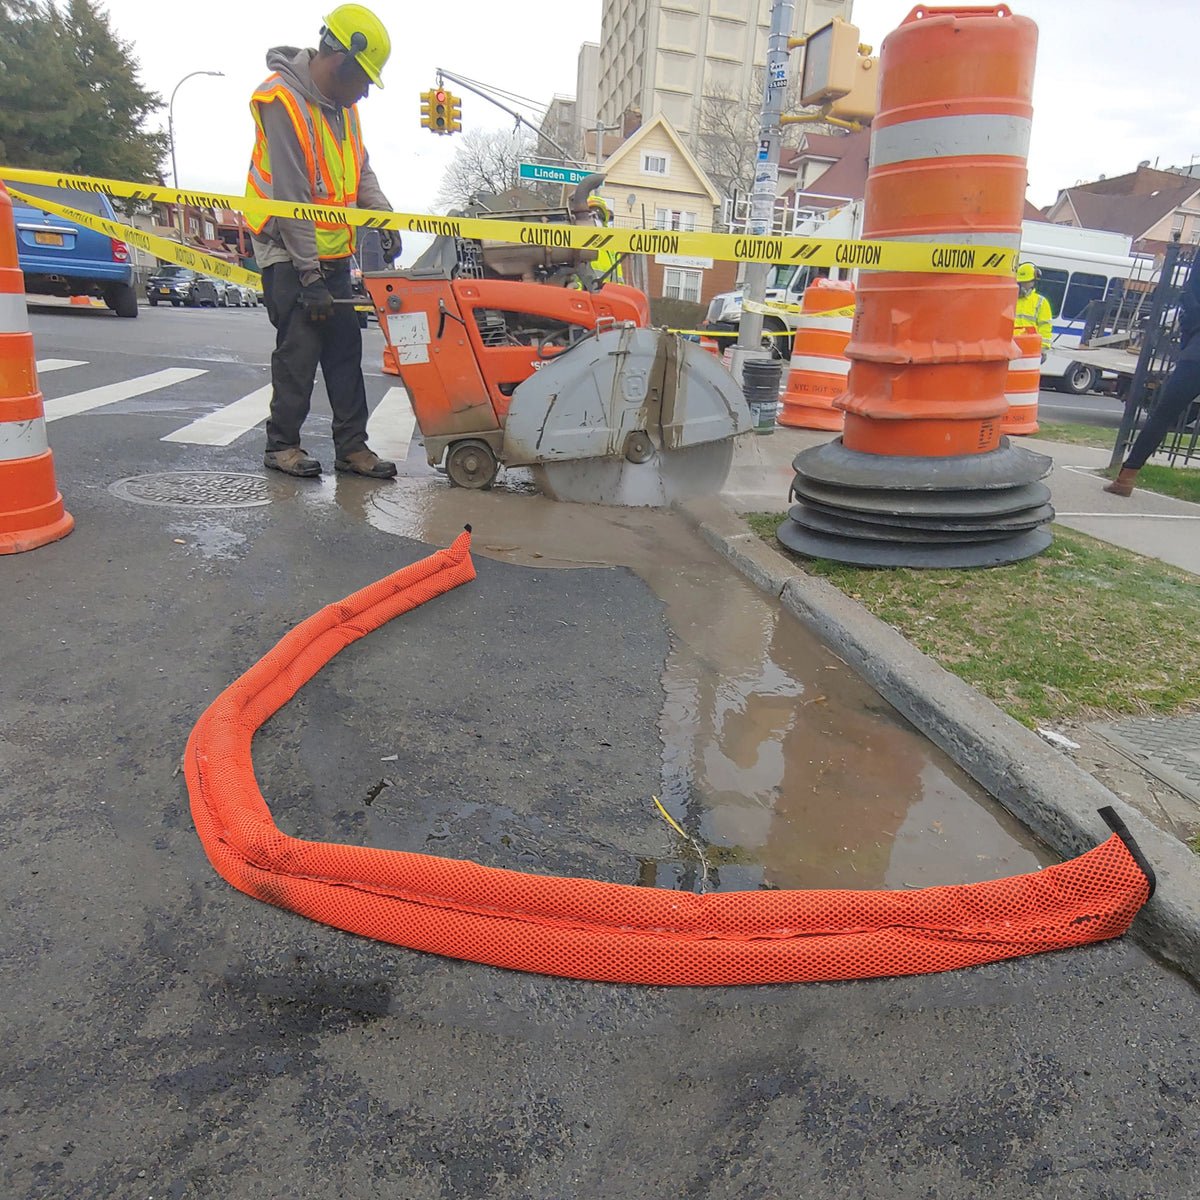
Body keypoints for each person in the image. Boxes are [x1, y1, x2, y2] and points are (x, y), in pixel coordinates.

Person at [245, 4, 402, 479]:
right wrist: (309, 277)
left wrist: (384, 218)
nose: (366, 93)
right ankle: (282, 445)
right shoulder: (281, 100)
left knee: (344, 353)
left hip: (330, 253)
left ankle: (352, 447)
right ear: (340, 63)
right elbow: (292, 195)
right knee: (299, 349)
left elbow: (361, 170)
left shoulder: (344, 111)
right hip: (286, 249)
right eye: (365, 81)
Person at [1105, 255, 1200, 496]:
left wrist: (1192, 332)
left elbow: (1188, 296)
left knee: (1163, 415)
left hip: (1196, 354)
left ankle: (1127, 477)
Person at [1014, 262, 1053, 361]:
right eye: (1022, 283)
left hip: (1029, 348)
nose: (1024, 286)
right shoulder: (1010, 299)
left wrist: (1043, 349)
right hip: (1012, 346)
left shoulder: (1040, 302)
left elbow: (1045, 327)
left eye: (1026, 282)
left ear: (1032, 283)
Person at [586, 194, 624, 284]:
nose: (596, 218)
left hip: (607, 295)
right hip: (585, 295)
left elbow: (619, 279)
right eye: (591, 214)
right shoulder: (580, 240)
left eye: (599, 214)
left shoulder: (612, 245)